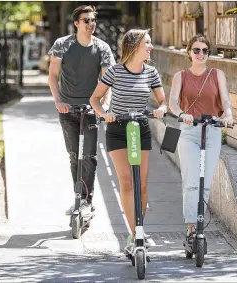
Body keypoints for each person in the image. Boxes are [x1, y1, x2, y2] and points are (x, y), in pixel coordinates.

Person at [90, 28, 167, 249]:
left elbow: (162, 101)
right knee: (125, 181)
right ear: (134, 46)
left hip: (140, 128)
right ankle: (135, 234)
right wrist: (104, 113)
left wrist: (161, 109)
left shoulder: (151, 73)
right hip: (117, 128)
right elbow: (95, 98)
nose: (151, 47)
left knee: (142, 185)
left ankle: (137, 233)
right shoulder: (115, 72)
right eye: (148, 43)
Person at [48, 5, 115, 219]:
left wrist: (104, 106)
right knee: (74, 156)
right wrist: (58, 101)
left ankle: (86, 201)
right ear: (76, 22)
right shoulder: (62, 45)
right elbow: (52, 75)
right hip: (67, 108)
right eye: (86, 20)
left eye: (93, 20)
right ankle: (78, 197)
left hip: (90, 109)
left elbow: (107, 81)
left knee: (89, 156)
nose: (91, 24)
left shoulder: (102, 47)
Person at [168, 34, 234, 244]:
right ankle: (191, 228)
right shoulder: (180, 76)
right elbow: (172, 104)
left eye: (205, 51)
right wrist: (181, 114)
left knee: (205, 182)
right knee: (191, 181)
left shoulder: (217, 74)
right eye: (196, 50)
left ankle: (199, 224)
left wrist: (228, 115)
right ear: (189, 52)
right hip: (189, 131)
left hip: (211, 131)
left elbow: (225, 100)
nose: (200, 54)